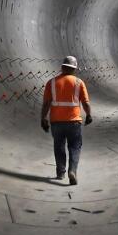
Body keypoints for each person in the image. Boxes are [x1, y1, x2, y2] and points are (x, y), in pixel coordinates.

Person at [40, 55, 92, 185]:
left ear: (62, 67)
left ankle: (60, 172)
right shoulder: (79, 83)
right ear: (74, 69)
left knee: (59, 146)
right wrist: (89, 115)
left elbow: (46, 103)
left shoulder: (51, 83)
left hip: (56, 121)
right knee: (75, 146)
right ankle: (72, 171)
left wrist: (43, 118)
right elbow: (85, 102)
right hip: (74, 121)